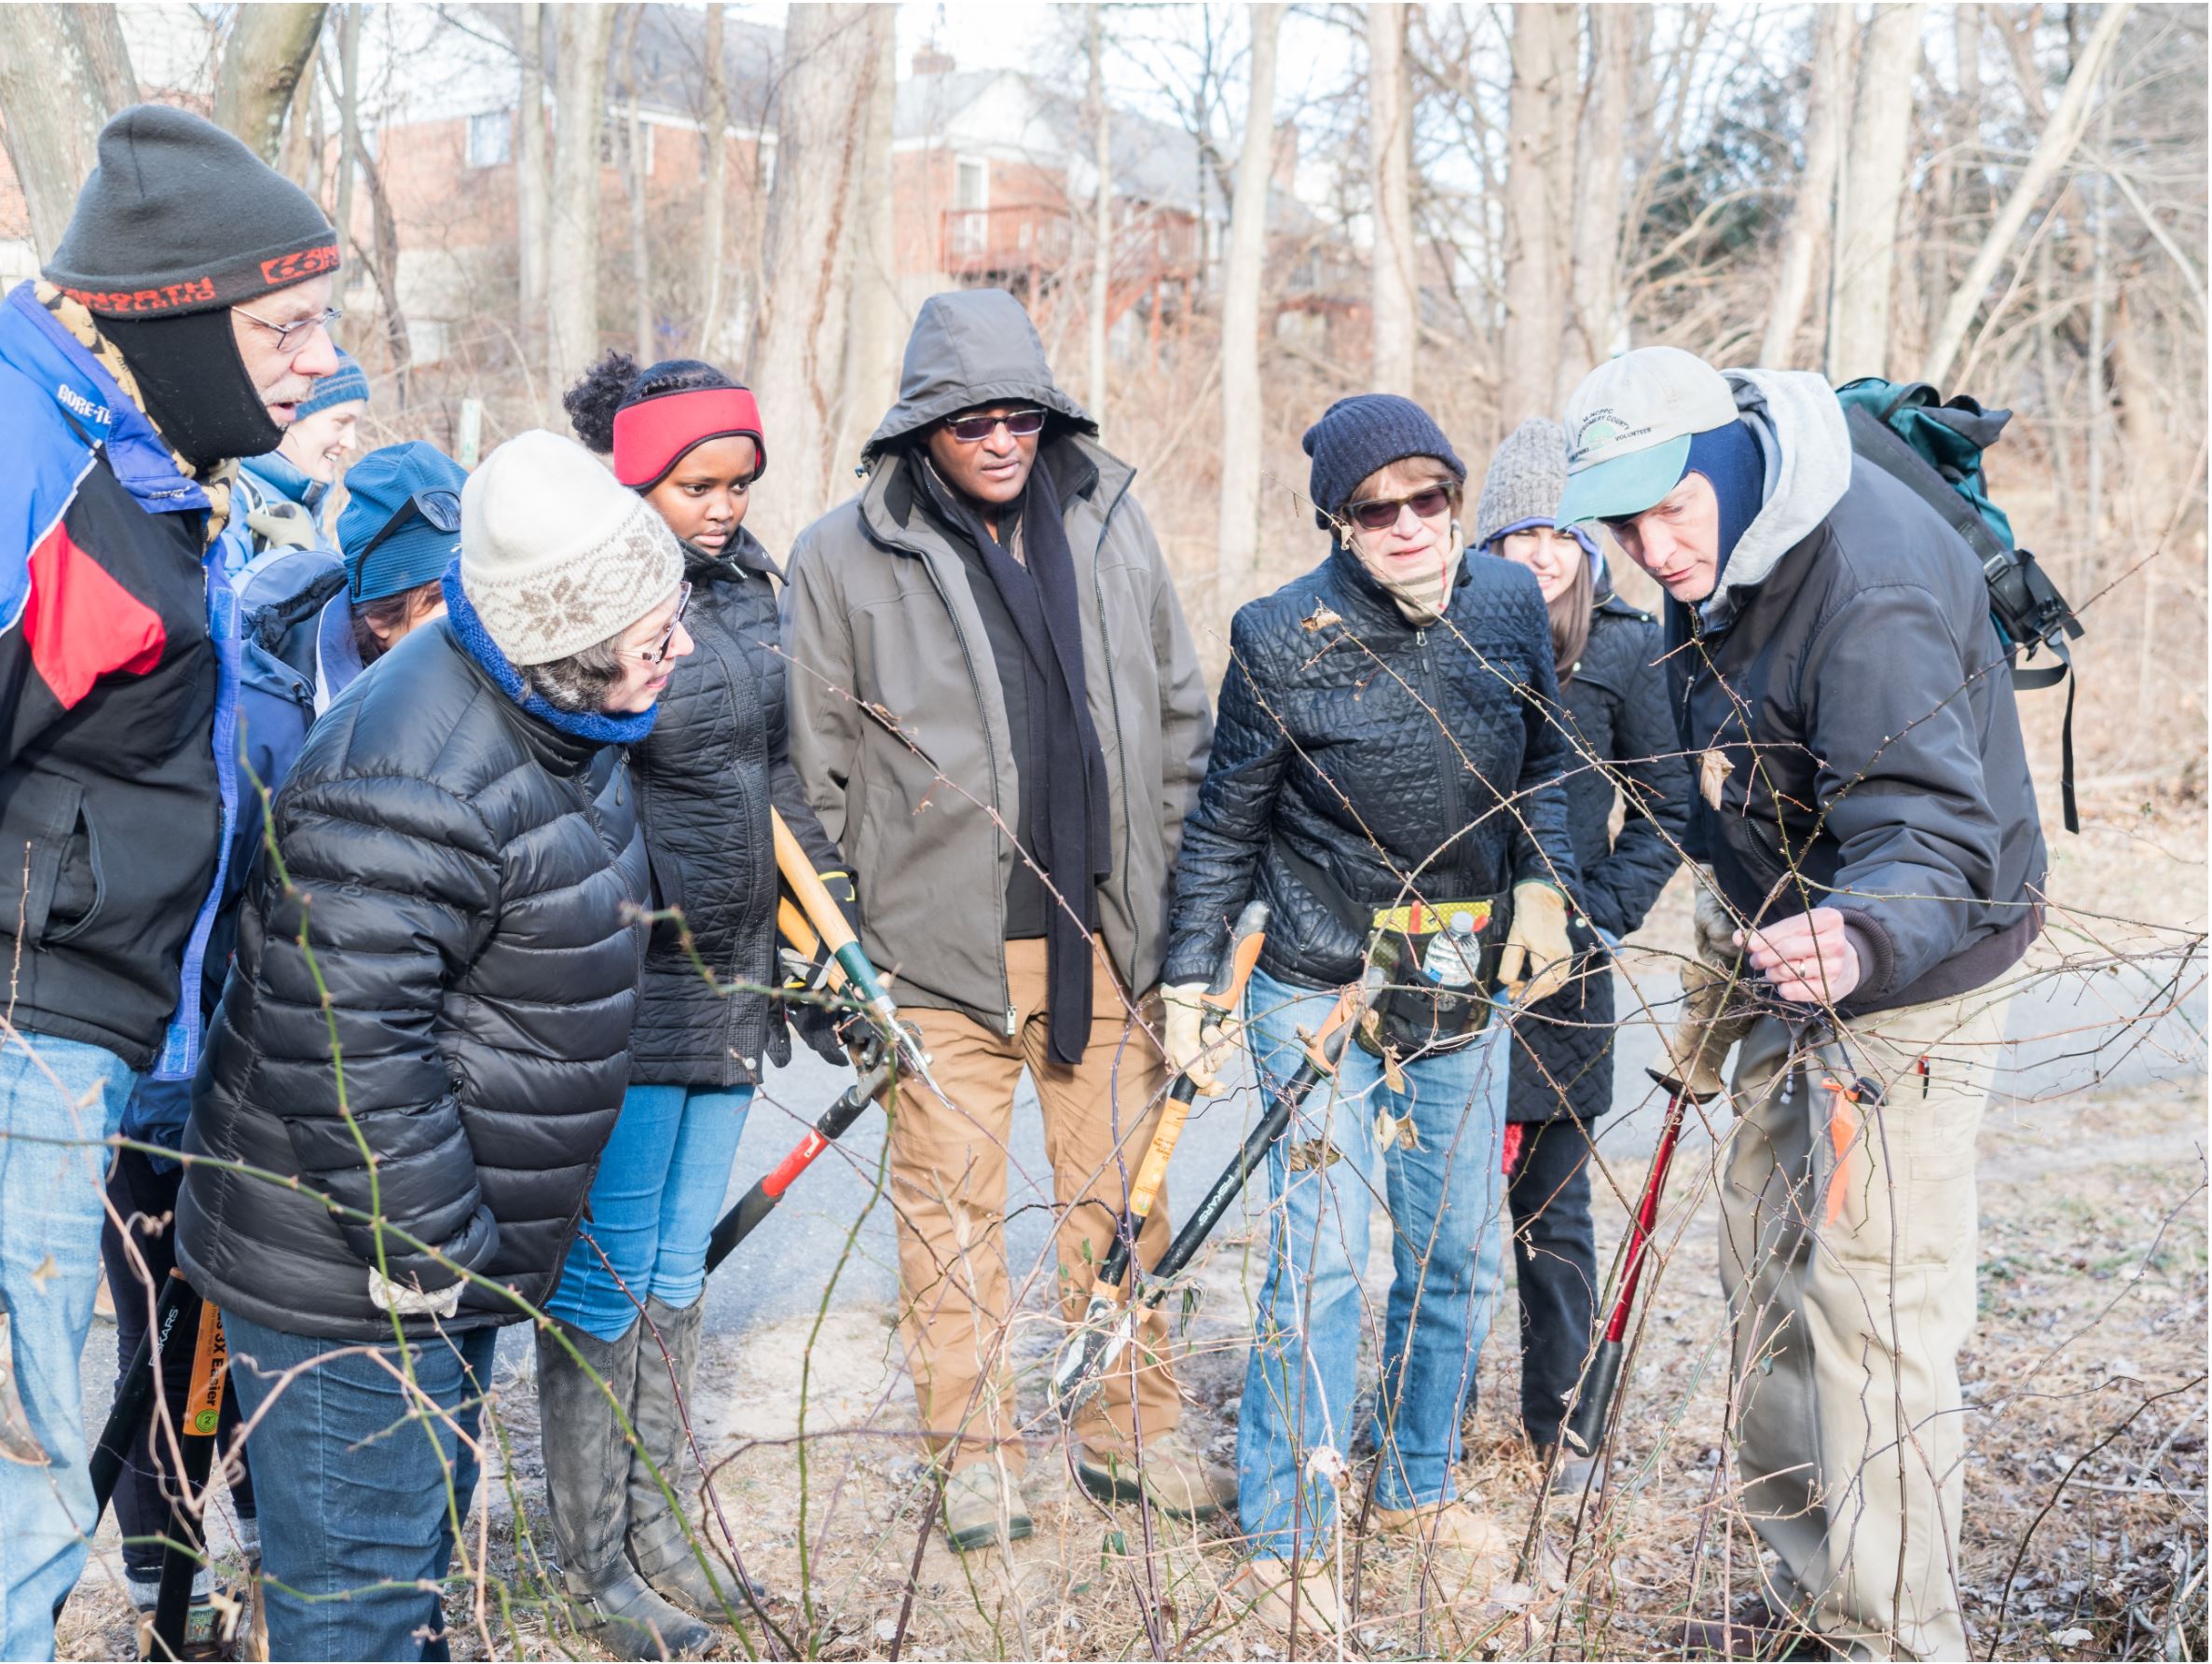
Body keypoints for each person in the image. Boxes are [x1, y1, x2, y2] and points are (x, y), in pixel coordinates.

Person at [1555, 346, 2046, 1661]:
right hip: (1784, 944)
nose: (1653, 547)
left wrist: (1864, 934)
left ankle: (1894, 1635)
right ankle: (1809, 1603)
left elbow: (1935, 839)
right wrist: (1748, 924)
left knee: (1871, 1308)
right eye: (1625, 521)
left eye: (1672, 509)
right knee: (1767, 1280)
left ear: (1724, 462)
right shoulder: (1717, 551)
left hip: (1906, 974)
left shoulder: (1870, 583)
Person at [176, 430, 694, 1662]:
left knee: (407, 1582)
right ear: (560, 645)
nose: (680, 643)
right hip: (354, 1271)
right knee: (356, 1603)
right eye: (650, 627)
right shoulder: (405, 773)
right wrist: (431, 1251)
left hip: (443, 1256)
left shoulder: (563, 717)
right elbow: (344, 1045)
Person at [783, 288, 1221, 1552]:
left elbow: (1180, 725)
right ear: (920, 426)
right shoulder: (841, 554)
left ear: (1047, 414)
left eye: (1018, 414)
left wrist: (1176, 918)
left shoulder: (1108, 522)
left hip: (1103, 938)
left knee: (1120, 1201)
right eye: (969, 419)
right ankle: (972, 1455)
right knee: (949, 1213)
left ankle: (1128, 1424)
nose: (998, 440)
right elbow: (811, 774)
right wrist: (849, 963)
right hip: (935, 956)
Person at [0, 104, 340, 1659]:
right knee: (24, 1481)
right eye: (284, 327)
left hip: (102, 1033)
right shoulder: (30, 457)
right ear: (171, 312)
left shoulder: (137, 459)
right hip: (22, 1033)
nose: (314, 363)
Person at [1163, 394, 1579, 1638]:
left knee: (1450, 1254)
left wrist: (1549, 885)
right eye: (1375, 510)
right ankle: (1286, 1536)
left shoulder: (1506, 605)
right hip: (1317, 976)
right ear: (1337, 525)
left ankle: (1412, 1487)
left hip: (1456, 967)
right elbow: (1224, 825)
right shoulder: (1279, 637)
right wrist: (1192, 977)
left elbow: (1548, 761)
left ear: (1457, 500)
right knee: (1321, 1265)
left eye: (1429, 500)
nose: (1409, 528)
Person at [96, 440, 461, 1643]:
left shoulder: (436, 689)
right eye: (420, 616)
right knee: (160, 1339)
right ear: (370, 609)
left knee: (271, 1332)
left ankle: (270, 1548)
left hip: (297, 1075)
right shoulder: (252, 694)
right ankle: (165, 1577)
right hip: (177, 1062)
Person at [540, 351, 850, 1652]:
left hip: (735, 973)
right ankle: (588, 1560)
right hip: (633, 971)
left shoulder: (748, 591)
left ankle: (658, 1527)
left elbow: (779, 778)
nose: (723, 505)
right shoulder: (580, 599)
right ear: (634, 476)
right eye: (696, 483)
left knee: (676, 1273)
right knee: (606, 1283)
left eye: (738, 481)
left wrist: (828, 927)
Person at [1472, 418, 1688, 1492]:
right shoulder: (1457, 639)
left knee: (1552, 1210)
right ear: (1490, 547)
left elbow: (1670, 803)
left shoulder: (1626, 647)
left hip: (1567, 971)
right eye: (1521, 533)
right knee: (1444, 1210)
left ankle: (1559, 1425)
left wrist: (1601, 911)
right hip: (1454, 962)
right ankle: (1425, 1422)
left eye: (1562, 532)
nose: (1544, 552)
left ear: (1590, 543)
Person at [216, 345, 369, 584]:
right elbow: (216, 614)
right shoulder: (231, 494)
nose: (351, 442)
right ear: (289, 413)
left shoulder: (301, 502)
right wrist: (292, 554)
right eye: (340, 423)